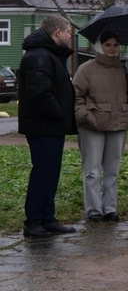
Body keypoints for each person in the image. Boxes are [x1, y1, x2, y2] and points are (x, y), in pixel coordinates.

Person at [19, 16, 78, 238]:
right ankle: (33, 221)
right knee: (43, 173)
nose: (70, 35)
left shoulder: (49, 54)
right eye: (68, 31)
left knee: (51, 173)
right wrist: (60, 113)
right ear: (58, 32)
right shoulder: (39, 56)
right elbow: (39, 92)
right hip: (43, 126)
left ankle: (47, 218)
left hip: (51, 126)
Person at [73, 31, 128, 223]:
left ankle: (110, 209)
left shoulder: (123, 70)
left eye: (115, 45)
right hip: (92, 126)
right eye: (108, 45)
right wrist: (85, 116)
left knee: (113, 170)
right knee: (92, 170)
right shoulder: (86, 69)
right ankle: (94, 210)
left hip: (117, 125)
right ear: (99, 46)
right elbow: (75, 96)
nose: (112, 48)